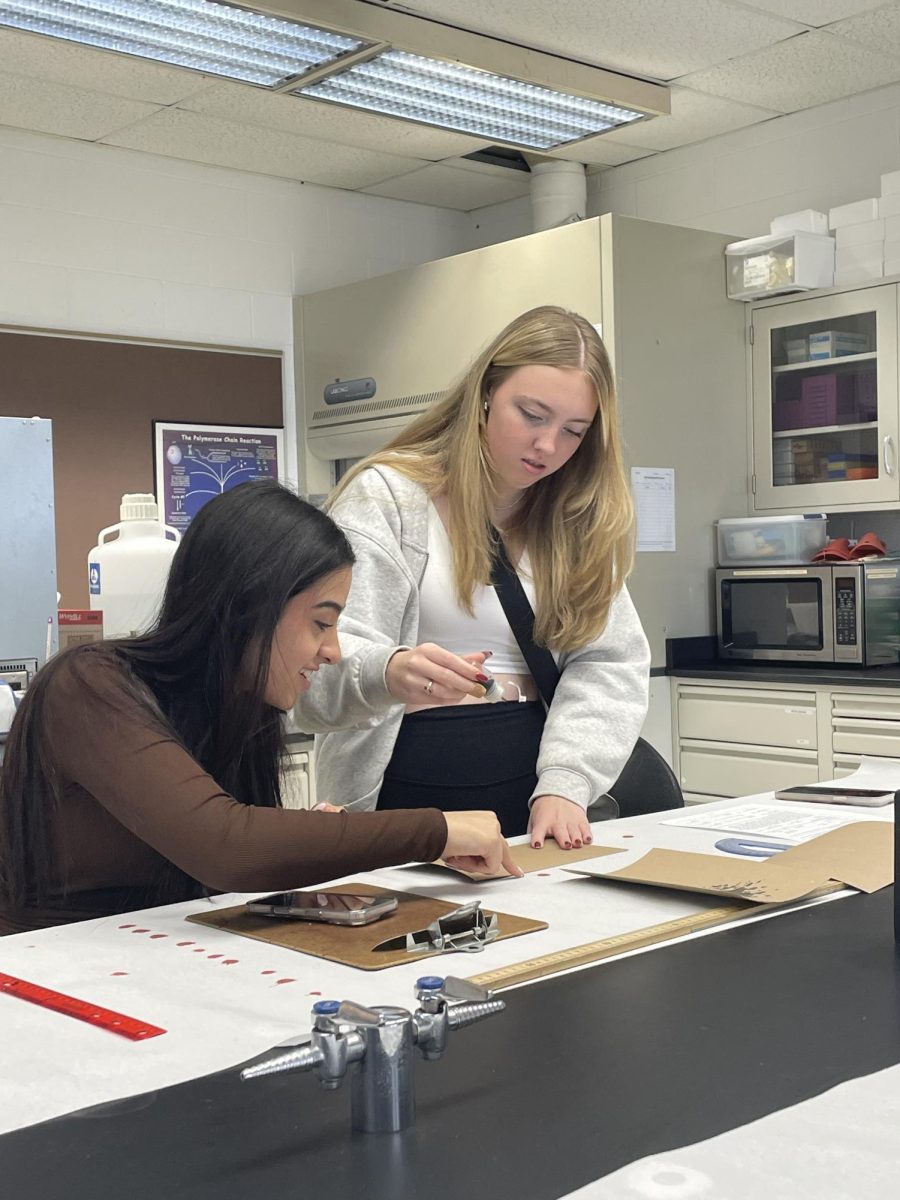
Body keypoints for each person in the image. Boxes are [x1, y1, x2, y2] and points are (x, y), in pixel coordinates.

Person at [0, 480, 519, 935]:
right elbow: (227, 847)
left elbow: (211, 864)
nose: (334, 651)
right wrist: (439, 830)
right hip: (55, 976)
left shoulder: (240, 705)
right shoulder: (89, 686)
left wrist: (303, 860)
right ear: (247, 607)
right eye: (321, 622)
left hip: (156, 957)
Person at [297, 305, 651, 848]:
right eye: (532, 415)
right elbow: (315, 675)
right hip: (399, 801)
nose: (548, 446)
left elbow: (609, 665)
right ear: (485, 392)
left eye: (574, 431)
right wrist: (388, 672)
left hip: (538, 812)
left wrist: (567, 783)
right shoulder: (388, 499)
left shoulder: (579, 519)